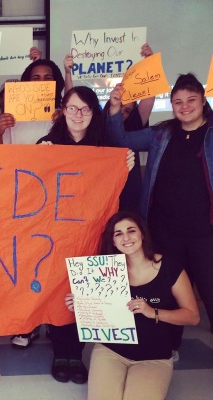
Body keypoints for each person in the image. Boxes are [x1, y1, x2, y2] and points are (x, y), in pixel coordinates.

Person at [38, 86, 136, 384]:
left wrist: (125, 169)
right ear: (63, 110)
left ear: (94, 113)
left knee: (87, 291)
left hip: (93, 234)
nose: (78, 115)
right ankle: (60, 352)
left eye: (85, 109)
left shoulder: (108, 149)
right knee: (59, 293)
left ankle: (76, 353)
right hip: (56, 236)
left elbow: (121, 195)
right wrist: (36, 159)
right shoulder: (47, 145)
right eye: (72, 108)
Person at [107, 73, 213, 339]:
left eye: (191, 100)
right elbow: (122, 141)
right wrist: (115, 109)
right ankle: (170, 345)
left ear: (203, 101)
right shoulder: (161, 134)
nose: (184, 106)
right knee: (167, 291)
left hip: (206, 232)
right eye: (177, 101)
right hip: (165, 231)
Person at [66, 212, 199, 400]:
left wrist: (152, 312)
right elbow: (100, 312)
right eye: (118, 233)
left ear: (142, 234)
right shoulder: (104, 271)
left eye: (131, 230)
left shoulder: (169, 267)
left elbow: (193, 316)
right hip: (110, 351)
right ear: (113, 241)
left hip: (155, 357)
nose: (126, 237)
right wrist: (81, 304)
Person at [102, 43, 155, 213]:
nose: (122, 112)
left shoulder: (134, 127)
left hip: (129, 193)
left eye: (127, 110)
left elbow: (148, 98)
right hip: (102, 190)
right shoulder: (96, 124)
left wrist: (150, 63)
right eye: (119, 105)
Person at [0, 52, 73, 145]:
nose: (41, 82)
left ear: (55, 82)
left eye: (47, 78)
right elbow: (0, 154)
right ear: (27, 82)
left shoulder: (59, 115)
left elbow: (70, 101)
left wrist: (68, 73)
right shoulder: (13, 116)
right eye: (36, 78)